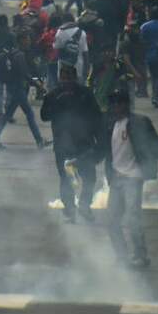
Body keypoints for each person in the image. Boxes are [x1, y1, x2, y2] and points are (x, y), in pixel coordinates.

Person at [99, 90, 158, 268]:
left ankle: (140, 256)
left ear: (125, 105)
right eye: (112, 105)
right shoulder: (110, 125)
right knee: (112, 220)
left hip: (134, 177)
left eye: (117, 104)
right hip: (116, 178)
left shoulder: (140, 123)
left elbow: (154, 143)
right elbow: (102, 150)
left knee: (133, 218)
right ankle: (122, 256)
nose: (114, 108)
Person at [40, 65, 103, 223]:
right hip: (63, 145)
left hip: (84, 144)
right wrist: (54, 102)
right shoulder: (54, 95)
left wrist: (99, 139)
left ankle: (84, 206)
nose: (66, 81)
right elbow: (44, 116)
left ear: (75, 78)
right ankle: (69, 209)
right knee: (66, 178)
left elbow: (96, 117)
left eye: (69, 78)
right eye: (63, 78)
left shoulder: (85, 94)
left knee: (89, 178)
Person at [0, 33, 48, 150]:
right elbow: (25, 73)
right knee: (29, 114)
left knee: (8, 114)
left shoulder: (14, 54)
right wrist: (38, 85)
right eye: (27, 39)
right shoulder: (19, 55)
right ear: (21, 41)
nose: (29, 42)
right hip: (18, 88)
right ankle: (39, 140)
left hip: (14, 87)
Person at [54, 15, 90, 82]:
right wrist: (87, 70)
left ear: (63, 21)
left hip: (63, 71)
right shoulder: (82, 33)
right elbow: (85, 54)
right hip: (78, 70)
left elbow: (56, 51)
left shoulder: (60, 32)